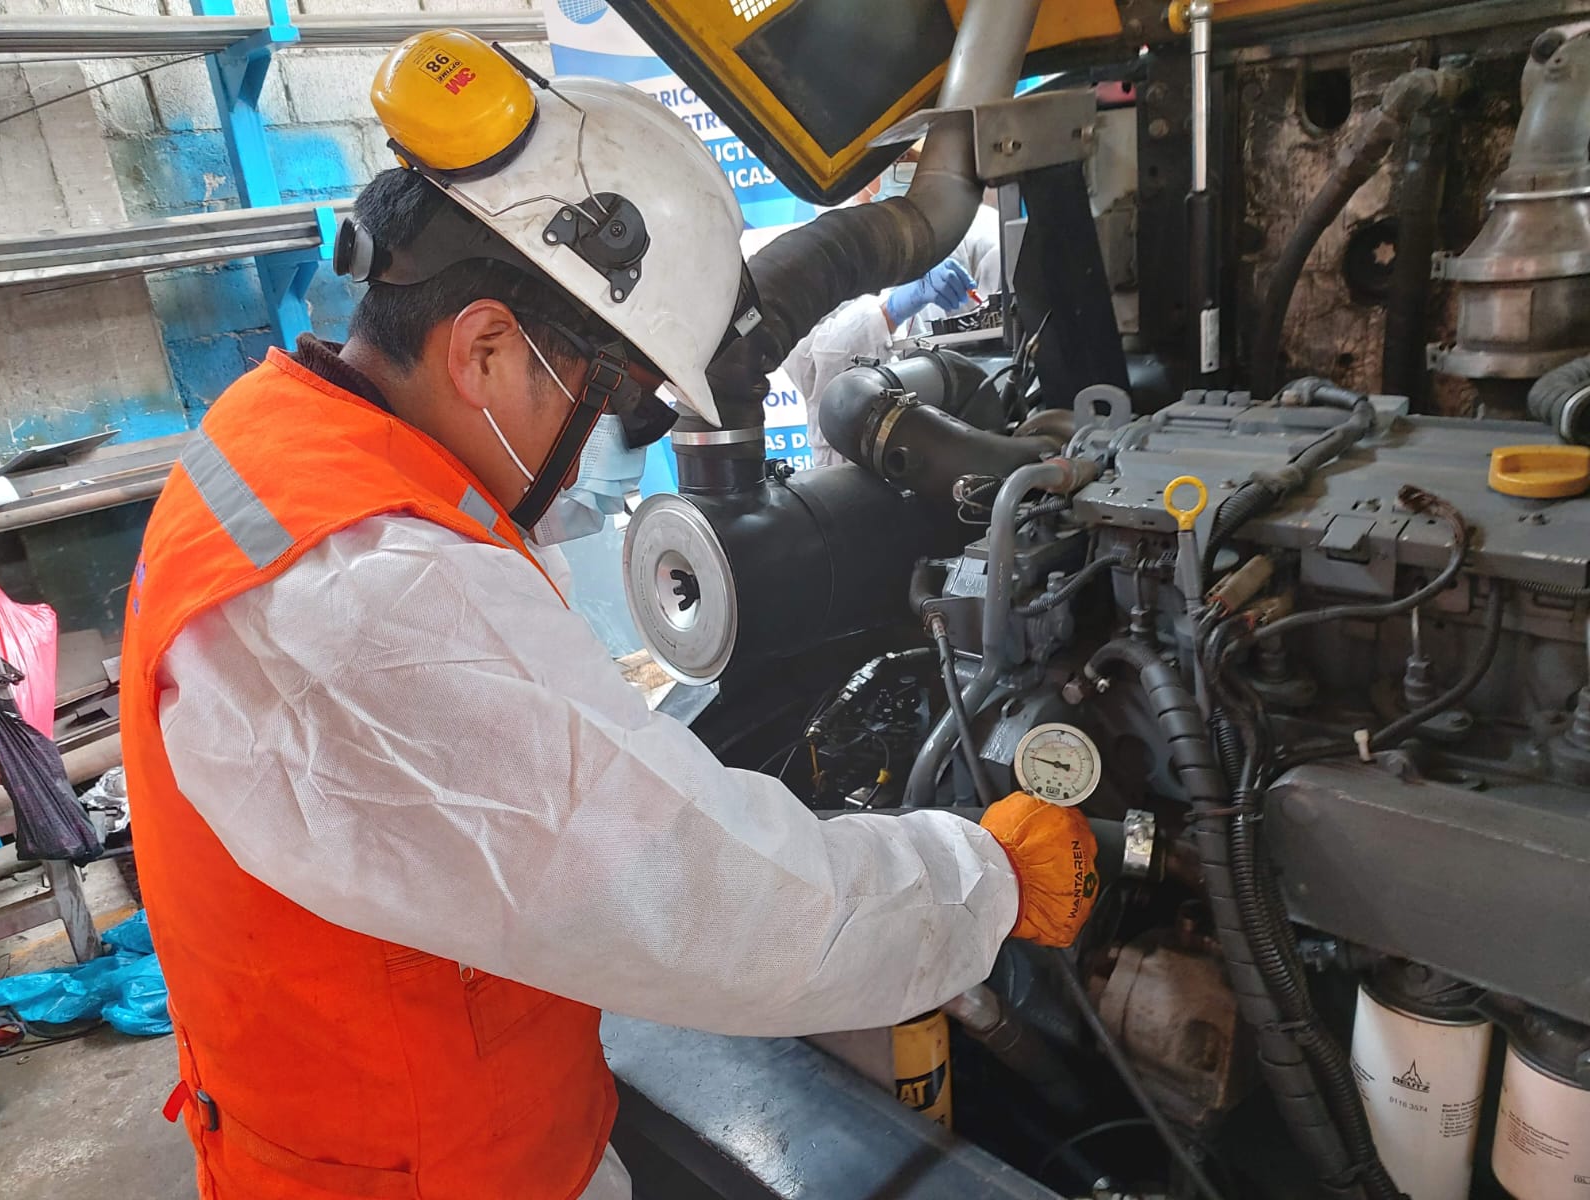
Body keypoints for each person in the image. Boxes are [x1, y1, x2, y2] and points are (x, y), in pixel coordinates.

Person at [119, 30, 1099, 1200]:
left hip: (453, 1114)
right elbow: (696, 902)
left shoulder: (278, 438)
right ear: (485, 348)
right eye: (603, 403)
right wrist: (979, 879)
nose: (597, 447)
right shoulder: (366, 598)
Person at [785, 194, 1003, 467]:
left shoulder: (974, 227)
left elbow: (1011, 338)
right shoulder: (824, 248)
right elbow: (805, 365)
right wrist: (890, 310)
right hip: (852, 453)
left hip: (957, 443)